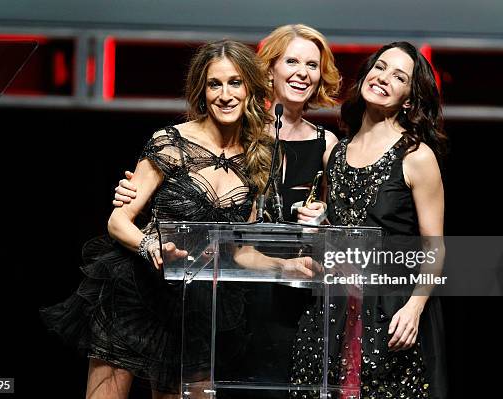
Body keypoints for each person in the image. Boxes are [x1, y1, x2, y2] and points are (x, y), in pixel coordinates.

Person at [40, 40, 313, 399]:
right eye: (215, 84)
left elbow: (239, 252)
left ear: (250, 88)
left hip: (196, 306)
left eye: (235, 83)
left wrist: (285, 267)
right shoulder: (171, 142)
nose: (226, 94)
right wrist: (149, 243)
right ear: (202, 91)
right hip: (136, 294)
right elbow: (118, 221)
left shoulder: (260, 158)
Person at [291, 41, 447, 399]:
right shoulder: (337, 151)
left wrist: (415, 307)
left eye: (398, 76)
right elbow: (340, 233)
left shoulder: (417, 156)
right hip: (332, 307)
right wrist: (319, 223)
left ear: (408, 98)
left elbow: (434, 246)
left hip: (391, 308)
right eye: (380, 67)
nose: (383, 78)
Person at [113, 24, 341, 224]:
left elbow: (339, 220)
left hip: (296, 264)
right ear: (270, 70)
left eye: (312, 65)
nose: (302, 73)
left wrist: (323, 215)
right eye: (292, 61)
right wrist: (142, 190)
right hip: (231, 260)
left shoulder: (326, 143)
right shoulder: (236, 128)